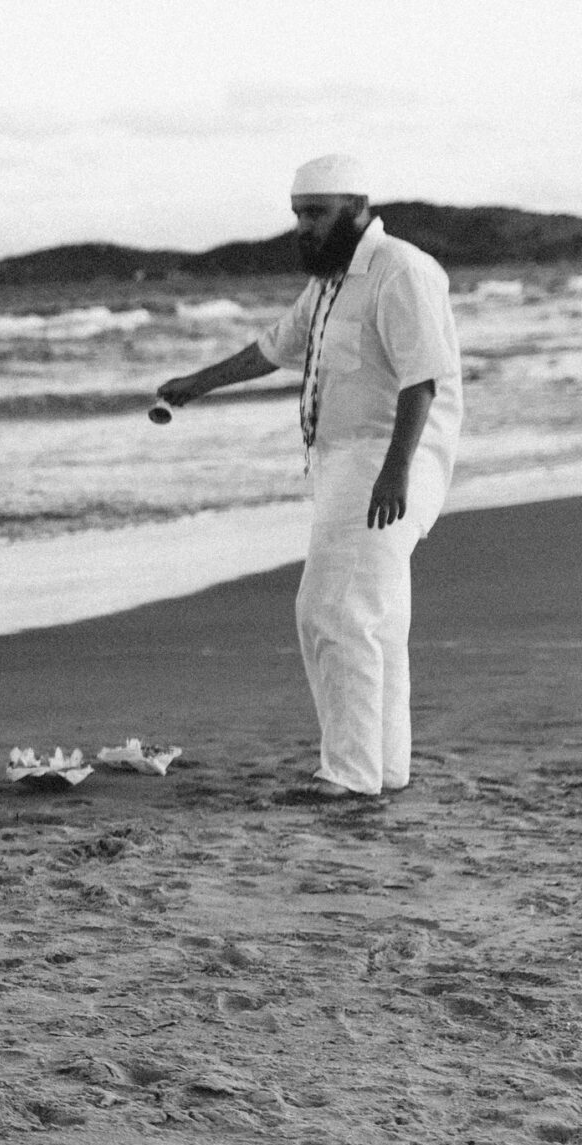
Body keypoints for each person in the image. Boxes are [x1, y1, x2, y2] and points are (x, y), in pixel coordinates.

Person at [156, 154, 463, 802]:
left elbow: (423, 378)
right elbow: (273, 347)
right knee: (373, 620)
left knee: (331, 611)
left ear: (356, 209)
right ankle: (383, 769)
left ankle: (347, 776)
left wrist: (395, 471)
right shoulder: (329, 283)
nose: (304, 226)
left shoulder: (400, 269)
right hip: (343, 463)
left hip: (387, 458)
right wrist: (196, 385)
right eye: (298, 214)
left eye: (316, 214)